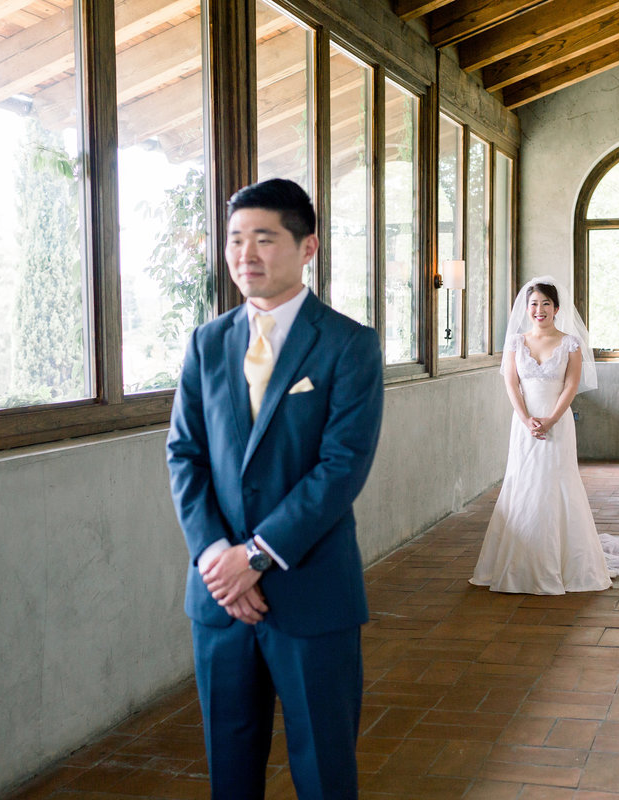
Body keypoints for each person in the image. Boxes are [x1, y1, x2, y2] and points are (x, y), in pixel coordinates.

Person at [166, 178, 384, 799]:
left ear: (307, 246)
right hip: (219, 600)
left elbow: (342, 467)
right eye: (235, 239)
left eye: (264, 238)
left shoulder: (349, 345)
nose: (245, 254)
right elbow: (185, 455)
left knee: (323, 770)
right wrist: (216, 559)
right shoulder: (207, 344)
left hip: (311, 590)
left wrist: (255, 557)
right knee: (229, 771)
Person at [471, 275, 619, 594]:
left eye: (546, 304)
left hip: (557, 421)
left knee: (557, 481)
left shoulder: (570, 343)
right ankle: (518, 562)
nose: (539, 310)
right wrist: (527, 419)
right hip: (524, 423)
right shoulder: (516, 342)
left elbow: (571, 386)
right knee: (524, 481)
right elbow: (510, 384)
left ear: (556, 308)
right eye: (534, 304)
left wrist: (550, 420)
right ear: (526, 308)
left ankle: (563, 561)